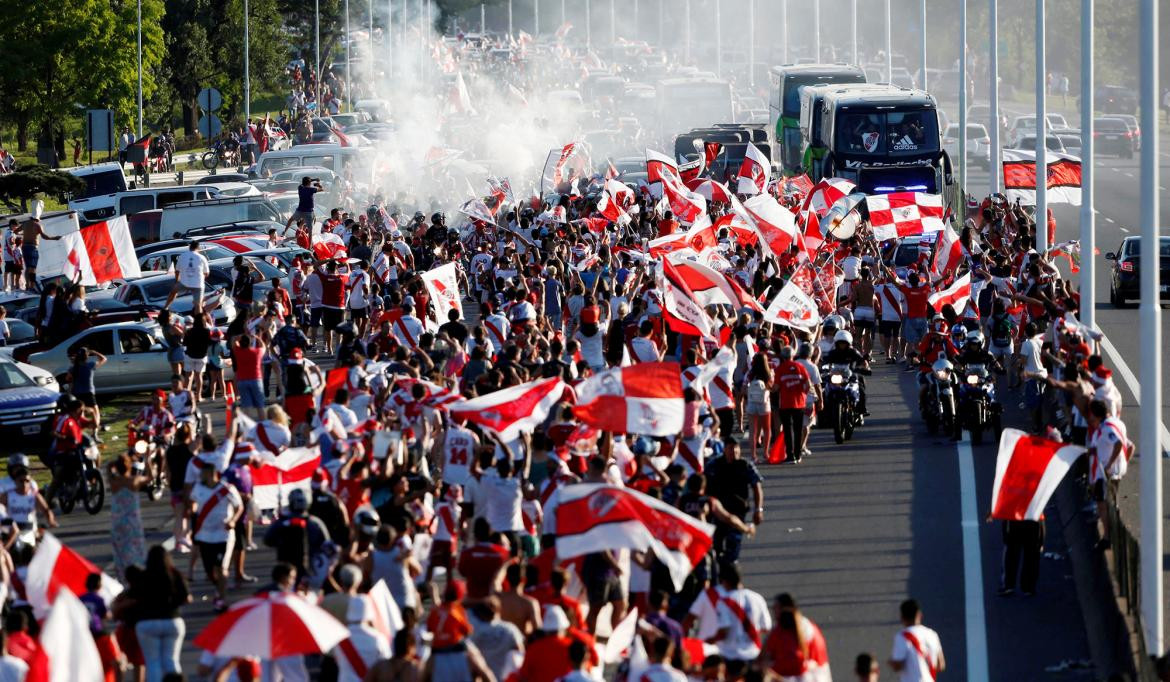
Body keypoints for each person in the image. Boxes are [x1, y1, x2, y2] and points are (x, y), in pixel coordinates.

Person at [188, 462, 245, 612]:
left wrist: (233, 520)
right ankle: (218, 589)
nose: (200, 476)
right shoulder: (198, 488)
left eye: (203, 473)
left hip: (224, 535)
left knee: (222, 568)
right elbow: (193, 502)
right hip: (205, 536)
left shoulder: (227, 489)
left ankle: (222, 599)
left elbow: (239, 506)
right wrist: (192, 510)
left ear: (211, 474)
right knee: (210, 571)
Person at [133, 545, 191, 682]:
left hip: (147, 621)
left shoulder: (142, 576)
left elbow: (134, 597)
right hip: (172, 619)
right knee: (171, 659)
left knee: (152, 662)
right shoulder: (175, 575)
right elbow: (186, 597)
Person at [107, 453, 148, 579]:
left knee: (120, 551)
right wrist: (148, 459)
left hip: (117, 521)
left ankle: (121, 575)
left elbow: (108, 468)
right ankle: (138, 573)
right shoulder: (134, 480)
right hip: (132, 521)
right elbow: (150, 477)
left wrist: (113, 464)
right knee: (136, 549)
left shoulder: (114, 482)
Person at [889, 599, 944, 681]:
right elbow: (940, 665)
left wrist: (891, 663)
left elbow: (898, 666)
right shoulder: (933, 635)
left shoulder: (902, 636)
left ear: (902, 617)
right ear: (919, 615)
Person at [12, 216, 61, 291]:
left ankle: (28, 285)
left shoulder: (25, 224)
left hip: (25, 247)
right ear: (37, 219)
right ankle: (31, 286)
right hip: (32, 247)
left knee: (28, 267)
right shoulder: (37, 225)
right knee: (33, 268)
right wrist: (54, 238)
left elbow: (15, 231)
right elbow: (44, 236)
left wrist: (24, 234)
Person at [165, 242, 210, 312]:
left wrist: (177, 281)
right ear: (198, 248)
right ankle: (199, 320)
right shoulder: (202, 257)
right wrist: (200, 279)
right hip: (198, 285)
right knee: (198, 304)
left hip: (184, 282)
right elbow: (206, 273)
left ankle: (166, 307)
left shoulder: (183, 256)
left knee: (173, 292)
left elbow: (177, 271)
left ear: (189, 247)